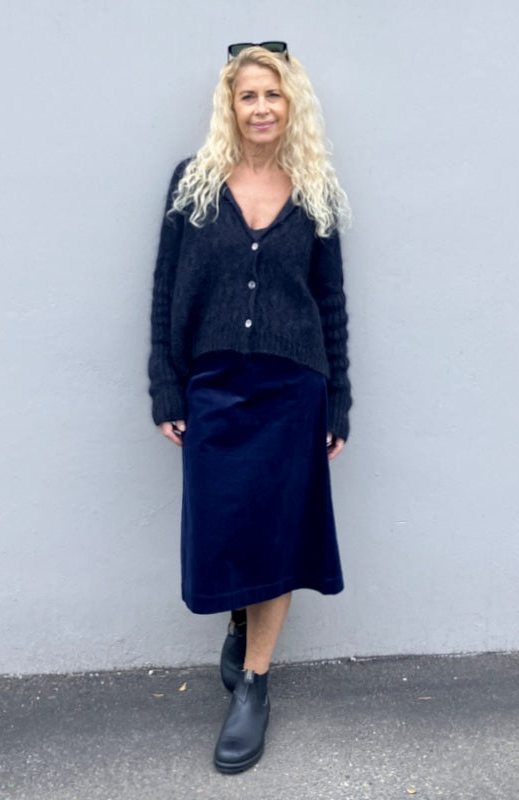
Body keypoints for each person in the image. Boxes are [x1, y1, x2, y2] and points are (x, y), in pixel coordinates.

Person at [148, 41, 351, 774]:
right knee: (226, 526)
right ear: (230, 107)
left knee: (280, 535)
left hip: (293, 390)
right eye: (248, 96)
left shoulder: (314, 189)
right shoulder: (194, 184)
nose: (261, 108)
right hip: (216, 387)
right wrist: (167, 386)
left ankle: (255, 684)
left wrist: (338, 402)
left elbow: (330, 302)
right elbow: (165, 290)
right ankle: (239, 616)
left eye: (273, 94)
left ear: (290, 104)